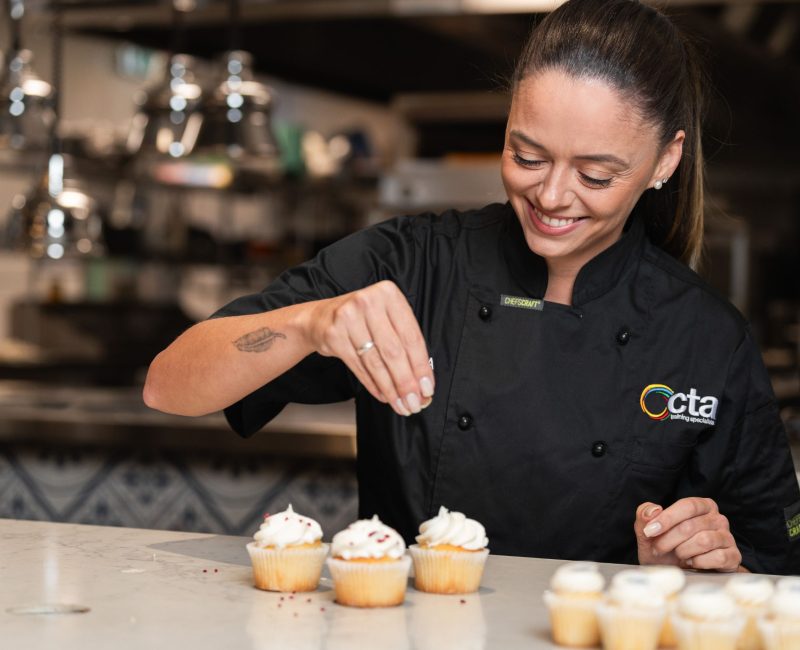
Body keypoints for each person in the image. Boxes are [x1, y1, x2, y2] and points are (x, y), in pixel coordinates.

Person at [143, 0, 800, 574]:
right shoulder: (412, 264)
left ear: (665, 160)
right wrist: (309, 323)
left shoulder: (708, 340)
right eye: (527, 155)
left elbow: (776, 571)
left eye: (595, 176)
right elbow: (167, 385)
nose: (551, 195)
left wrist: (692, 571)